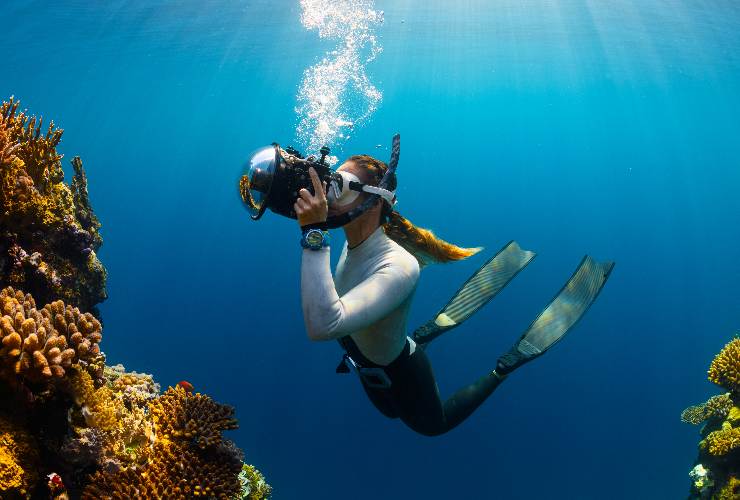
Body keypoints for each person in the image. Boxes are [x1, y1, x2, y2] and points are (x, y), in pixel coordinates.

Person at [296, 154, 612, 436]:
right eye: (330, 181)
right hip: (364, 360)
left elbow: (324, 324)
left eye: (341, 185)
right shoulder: (353, 243)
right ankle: (419, 335)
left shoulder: (399, 266)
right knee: (390, 413)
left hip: (402, 371)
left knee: (434, 425)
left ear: (375, 200)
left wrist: (313, 233)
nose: (328, 194)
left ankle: (503, 368)